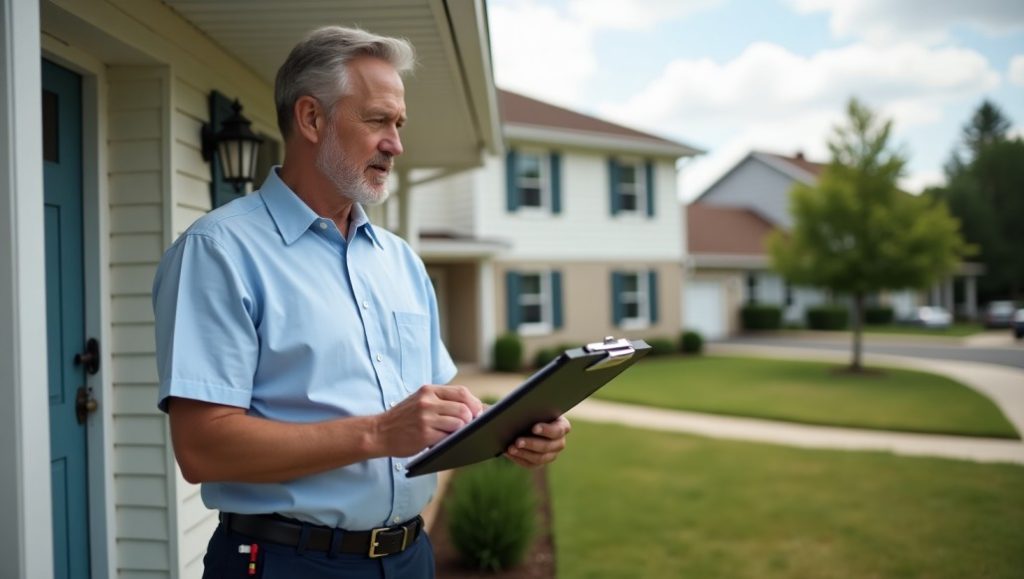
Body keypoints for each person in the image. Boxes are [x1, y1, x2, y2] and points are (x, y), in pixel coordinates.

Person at [153, 26, 571, 579]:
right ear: (311, 119)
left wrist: (507, 429)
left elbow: (431, 408)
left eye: (398, 124)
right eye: (377, 120)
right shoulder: (219, 251)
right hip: (285, 563)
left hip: (410, 558)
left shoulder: (400, 261)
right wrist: (375, 434)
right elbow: (202, 448)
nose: (395, 143)